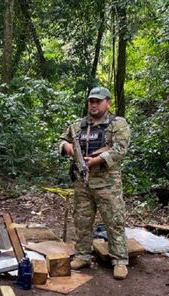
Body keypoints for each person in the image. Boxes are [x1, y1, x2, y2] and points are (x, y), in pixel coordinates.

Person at [58, 86, 130, 280]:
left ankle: (120, 260)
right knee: (82, 220)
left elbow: (120, 149)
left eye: (98, 101)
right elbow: (62, 141)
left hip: (107, 183)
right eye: (91, 101)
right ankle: (82, 255)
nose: (94, 104)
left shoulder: (117, 124)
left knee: (114, 221)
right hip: (82, 183)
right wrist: (68, 147)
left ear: (108, 102)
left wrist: (97, 160)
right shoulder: (78, 125)